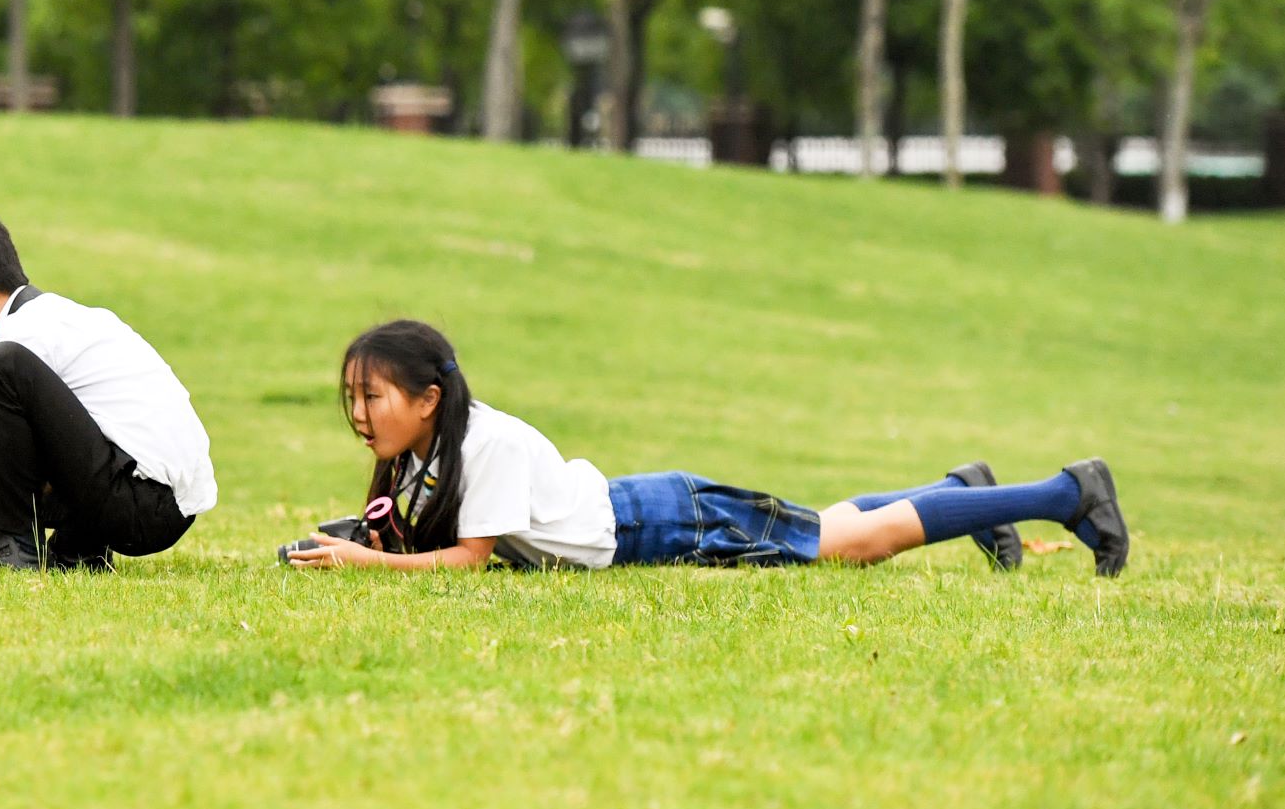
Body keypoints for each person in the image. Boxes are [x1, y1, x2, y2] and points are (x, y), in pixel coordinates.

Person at [286, 319, 1128, 577]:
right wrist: (352, 537)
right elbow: (415, 526)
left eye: (372, 396)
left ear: (426, 398)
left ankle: (1063, 492)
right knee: (829, 526)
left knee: (852, 546)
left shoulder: (487, 443)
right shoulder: (426, 449)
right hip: (652, 515)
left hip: (667, 523)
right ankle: (960, 488)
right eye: (351, 397)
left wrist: (368, 567)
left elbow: (468, 561)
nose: (359, 413)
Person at [0, 192, 214, 570]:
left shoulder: (19, 342)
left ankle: (11, 547)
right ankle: (79, 551)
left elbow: (28, 462)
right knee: (6, 370)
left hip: (141, 502)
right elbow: (69, 440)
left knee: (0, 364)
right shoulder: (57, 318)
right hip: (158, 501)